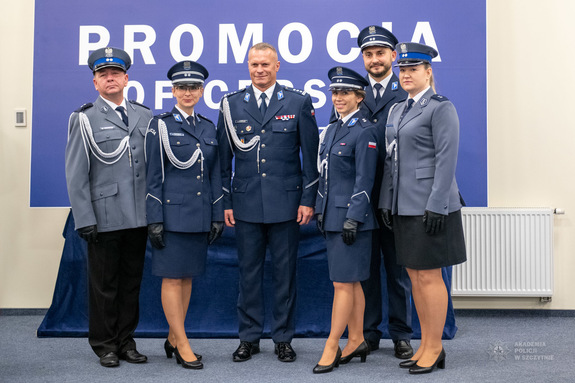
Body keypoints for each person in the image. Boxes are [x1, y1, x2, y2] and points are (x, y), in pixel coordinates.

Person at [217, 42, 319, 363]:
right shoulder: (231, 105)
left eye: (265, 64)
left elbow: (311, 159)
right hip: (245, 205)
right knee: (248, 274)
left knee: (285, 275)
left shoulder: (298, 102)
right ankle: (248, 338)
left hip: (287, 205)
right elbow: (222, 162)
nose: (259, 70)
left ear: (278, 66)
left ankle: (283, 338)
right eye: (254, 65)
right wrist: (226, 202)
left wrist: (307, 199)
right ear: (248, 67)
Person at [380, 42, 467, 374]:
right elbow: (393, 161)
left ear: (428, 71)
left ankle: (435, 347)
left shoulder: (440, 107)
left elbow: (446, 160)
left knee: (430, 277)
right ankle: (425, 344)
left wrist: (437, 205)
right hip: (404, 207)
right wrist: (388, 201)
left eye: (413, 69)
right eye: (402, 69)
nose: (406, 74)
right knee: (415, 277)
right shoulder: (396, 110)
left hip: (431, 207)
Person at [65, 47, 152, 367]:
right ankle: (105, 345)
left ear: (126, 78)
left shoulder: (145, 115)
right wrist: (84, 217)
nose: (110, 78)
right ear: (95, 83)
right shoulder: (84, 119)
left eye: (115, 73)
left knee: (131, 283)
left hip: (138, 215)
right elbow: (75, 174)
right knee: (104, 285)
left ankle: (126, 341)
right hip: (103, 217)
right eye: (103, 75)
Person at [145, 61, 224, 370]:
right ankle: (183, 343)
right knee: (172, 278)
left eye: (194, 88)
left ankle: (173, 336)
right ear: (173, 91)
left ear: (202, 91)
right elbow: (153, 176)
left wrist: (216, 213)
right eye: (182, 88)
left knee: (187, 277)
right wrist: (155, 218)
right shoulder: (159, 125)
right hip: (172, 216)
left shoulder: (207, 126)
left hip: (199, 215)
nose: (188, 93)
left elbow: (215, 174)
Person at [313, 67, 379, 374]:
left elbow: (365, 180)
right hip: (332, 217)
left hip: (352, 221)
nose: (339, 98)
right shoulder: (334, 128)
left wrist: (353, 218)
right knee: (350, 283)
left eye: (345, 93)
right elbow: (325, 176)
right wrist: (319, 209)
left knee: (343, 283)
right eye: (335, 93)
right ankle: (357, 339)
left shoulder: (363, 130)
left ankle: (332, 344)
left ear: (359, 97)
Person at [356, 25, 414, 359]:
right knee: (365, 271)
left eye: (380, 53)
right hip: (362, 197)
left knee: (396, 268)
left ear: (393, 56)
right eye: (369, 54)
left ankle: (401, 334)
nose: (375, 60)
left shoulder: (407, 89)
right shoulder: (353, 90)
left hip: (396, 196)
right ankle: (368, 332)